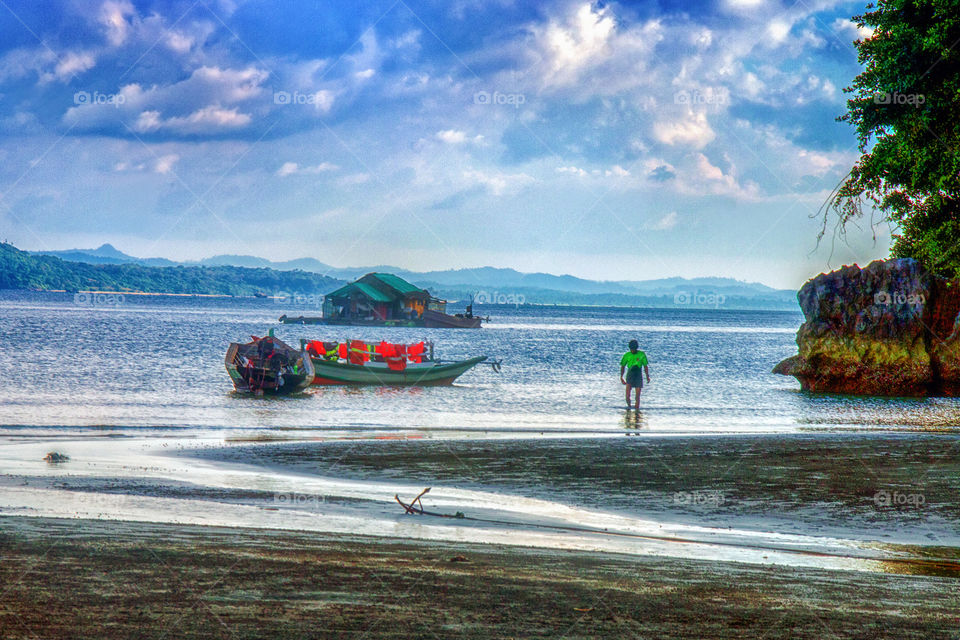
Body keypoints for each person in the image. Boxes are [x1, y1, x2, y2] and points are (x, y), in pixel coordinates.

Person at [620, 339, 650, 409]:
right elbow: (623, 366)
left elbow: (645, 366)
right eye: (631, 349)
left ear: (636, 348)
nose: (632, 350)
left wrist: (647, 376)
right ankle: (629, 408)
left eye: (634, 349)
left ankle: (637, 410)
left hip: (638, 374)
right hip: (630, 374)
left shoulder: (641, 354)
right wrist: (621, 377)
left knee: (637, 395)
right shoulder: (627, 355)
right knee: (627, 396)